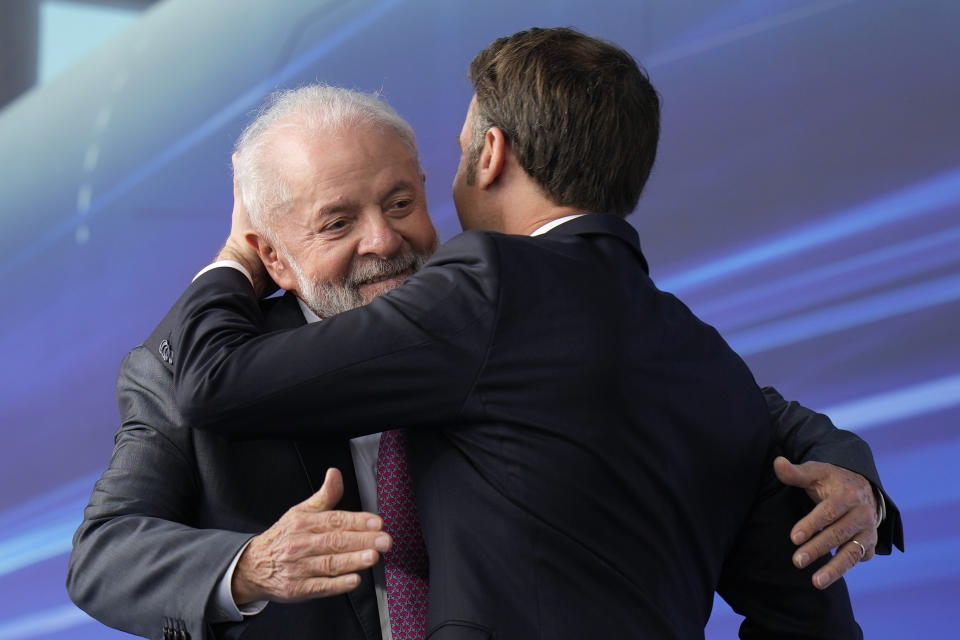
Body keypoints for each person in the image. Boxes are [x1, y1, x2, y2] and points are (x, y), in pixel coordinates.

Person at [153, 29, 902, 639]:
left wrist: (233, 260)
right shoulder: (706, 360)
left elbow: (215, 382)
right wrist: (848, 462)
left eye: (453, 154)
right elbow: (815, 622)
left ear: (492, 154)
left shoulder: (486, 284)